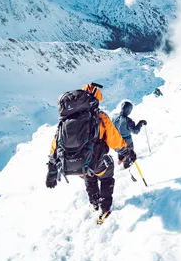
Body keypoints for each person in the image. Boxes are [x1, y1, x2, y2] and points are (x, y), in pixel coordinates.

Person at [45, 83, 131, 223]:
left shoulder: (66, 120)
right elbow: (115, 140)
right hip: (94, 162)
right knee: (107, 172)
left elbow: (56, 144)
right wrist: (127, 152)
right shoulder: (100, 117)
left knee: (88, 175)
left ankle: (94, 202)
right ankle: (105, 207)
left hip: (76, 164)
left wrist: (52, 169)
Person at [113, 101, 147, 169]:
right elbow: (135, 131)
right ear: (128, 110)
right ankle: (127, 168)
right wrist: (140, 123)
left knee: (121, 152)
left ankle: (120, 162)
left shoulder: (114, 117)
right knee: (129, 155)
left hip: (118, 141)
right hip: (127, 142)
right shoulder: (128, 120)